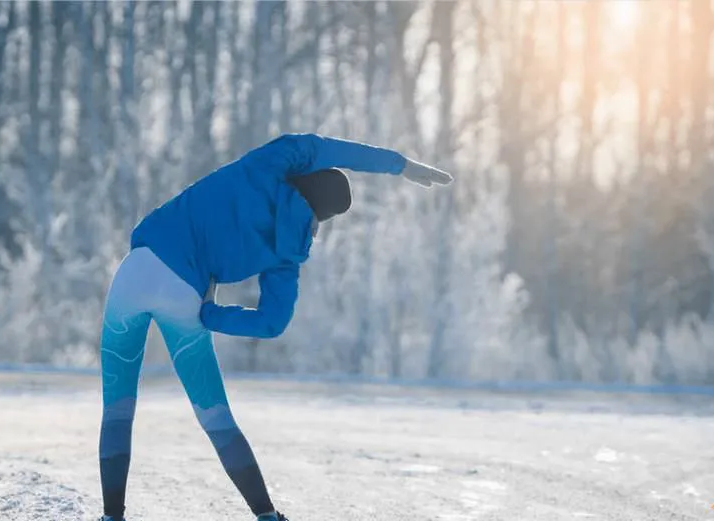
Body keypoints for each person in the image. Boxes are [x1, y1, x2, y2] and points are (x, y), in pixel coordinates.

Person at [97, 133, 452, 521]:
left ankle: (112, 516)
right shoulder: (288, 254)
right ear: (323, 216)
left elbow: (343, 152)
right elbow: (272, 323)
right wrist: (210, 314)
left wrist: (400, 164)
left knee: (118, 408)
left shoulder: (274, 161)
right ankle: (265, 515)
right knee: (216, 417)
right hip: (185, 297)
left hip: (137, 269)